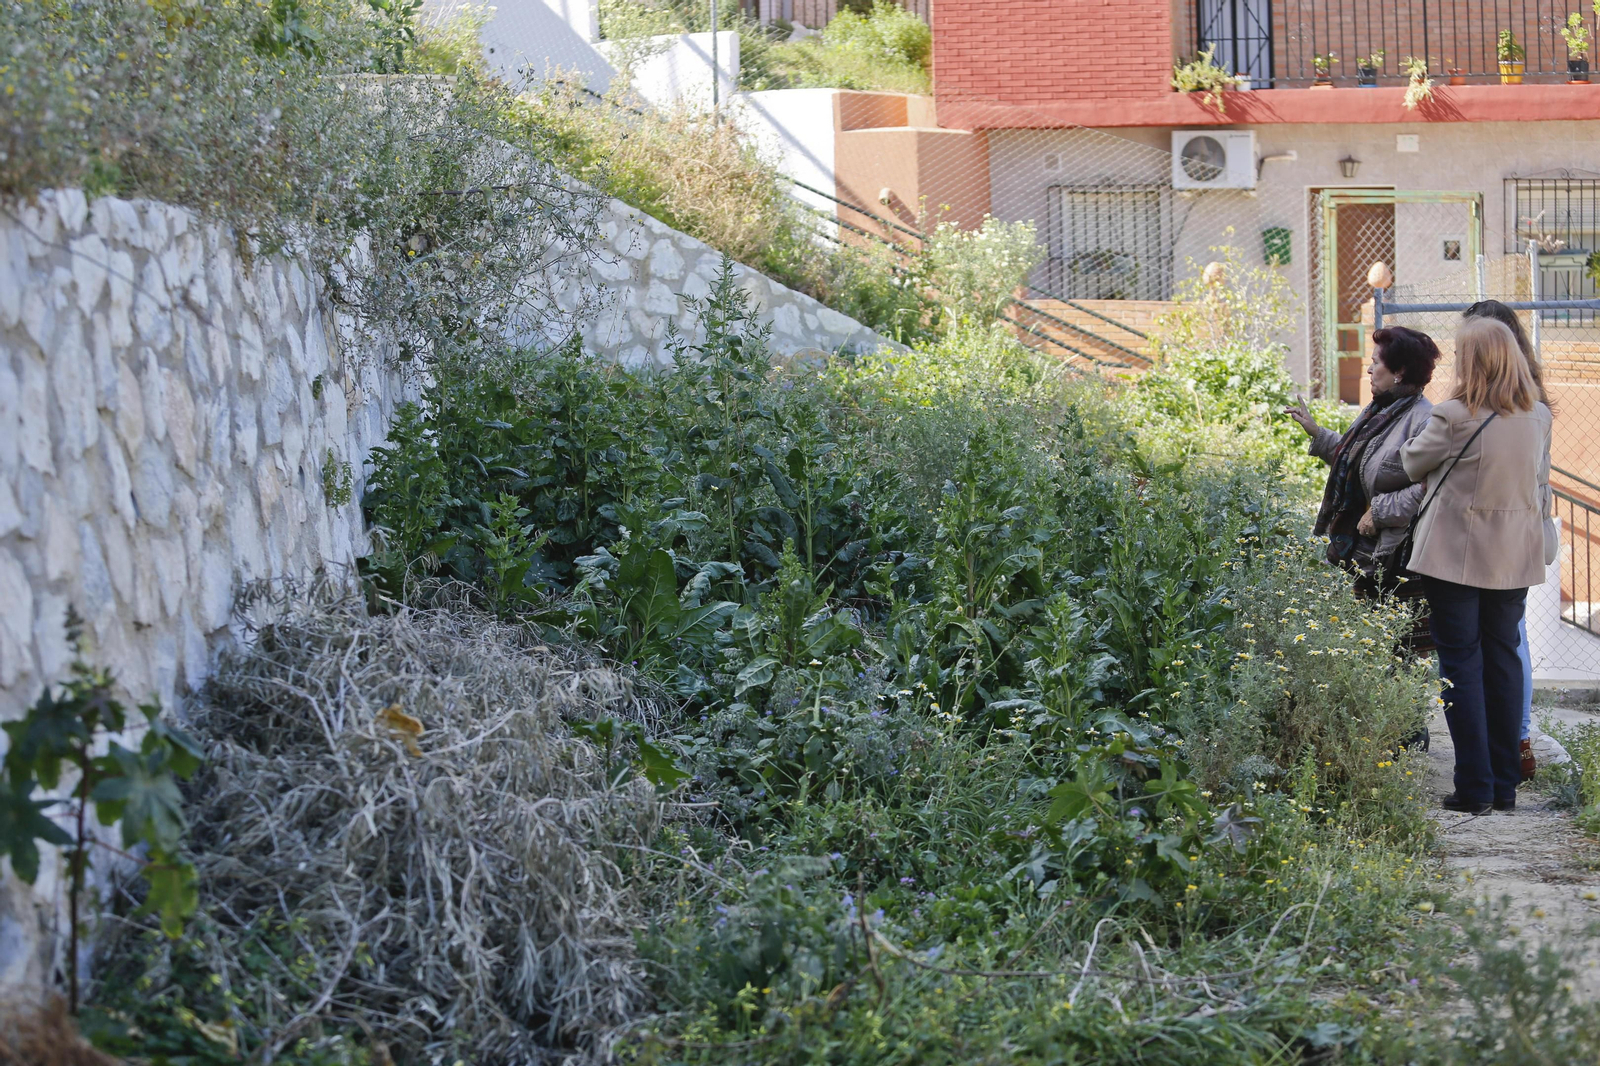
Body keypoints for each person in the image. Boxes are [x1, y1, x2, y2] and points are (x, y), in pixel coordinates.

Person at [1401, 317, 1553, 815]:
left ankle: (1474, 788)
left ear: (1471, 362)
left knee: (1460, 669)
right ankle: (1504, 787)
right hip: (1515, 556)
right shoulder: (1539, 416)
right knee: (1504, 663)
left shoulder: (1451, 416)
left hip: (1455, 558)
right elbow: (1538, 483)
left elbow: (1408, 464)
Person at [1461, 300, 1561, 780]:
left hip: (1501, 530)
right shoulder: (1533, 400)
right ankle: (1512, 742)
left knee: (1501, 640)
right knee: (1506, 639)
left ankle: (1512, 739)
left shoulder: (1498, 406)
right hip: (1522, 528)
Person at [1285, 326, 1439, 594]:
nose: (1368, 370)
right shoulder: (1379, 410)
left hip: (1394, 557)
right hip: (1362, 549)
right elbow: (1358, 463)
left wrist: (1378, 513)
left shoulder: (1425, 421)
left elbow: (1430, 488)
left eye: (1375, 362)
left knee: (1395, 633)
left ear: (1399, 372)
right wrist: (1317, 434)